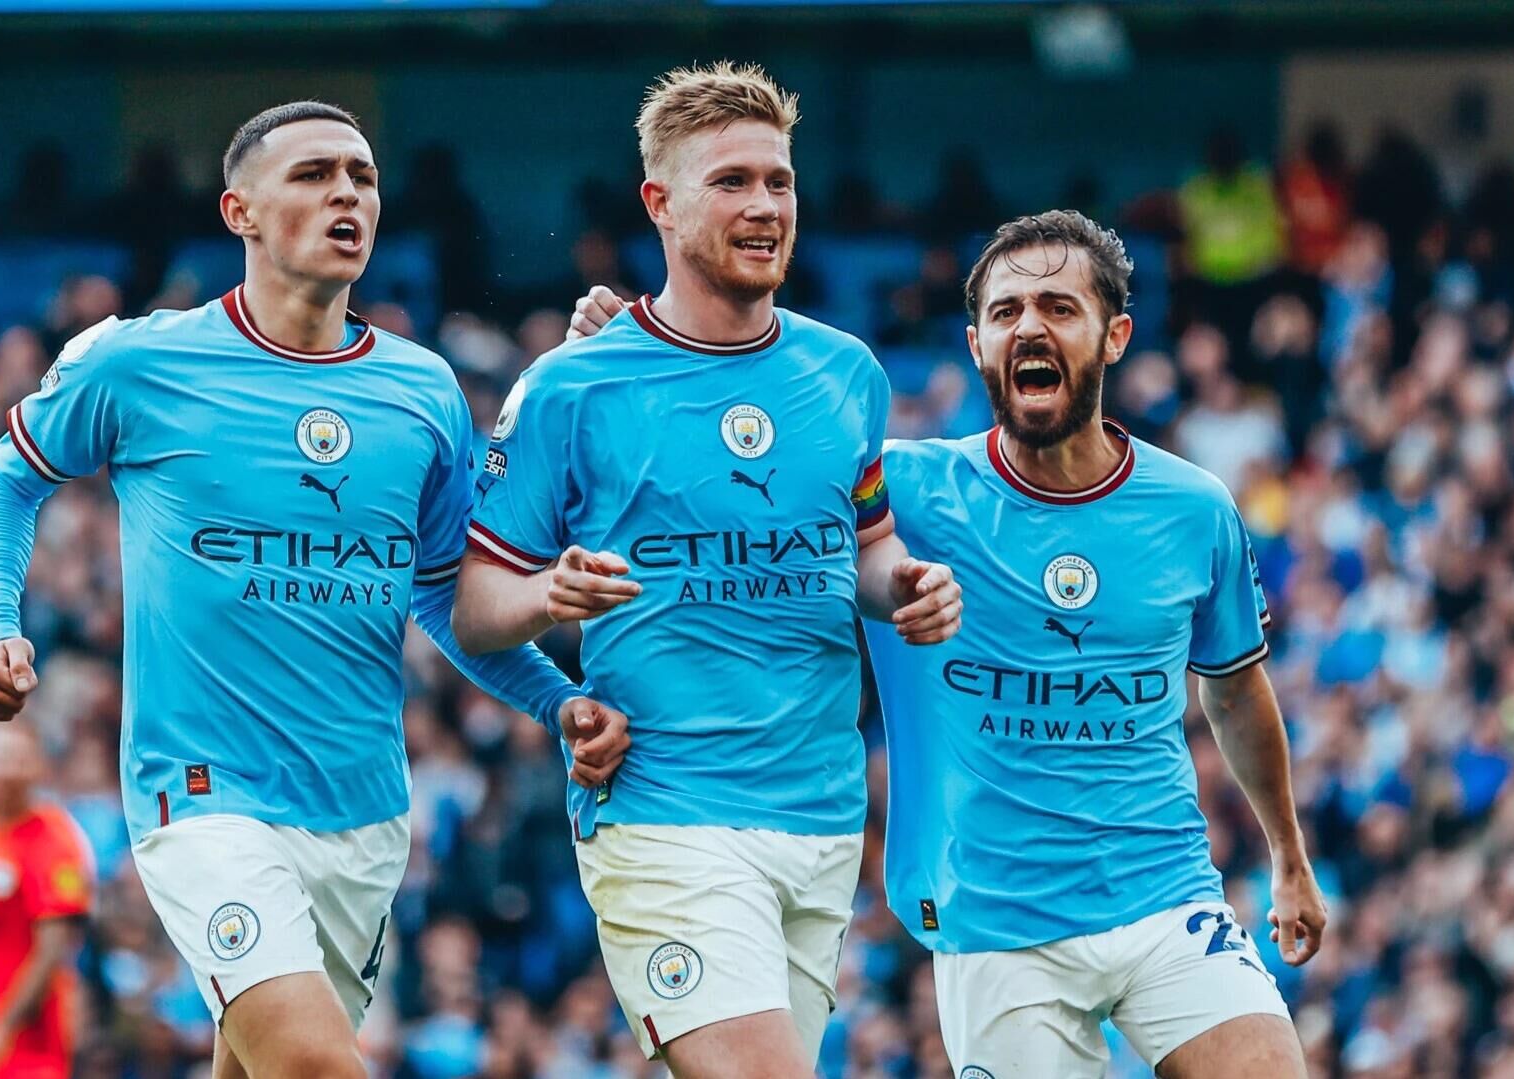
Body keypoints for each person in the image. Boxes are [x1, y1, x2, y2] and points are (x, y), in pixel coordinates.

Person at [566, 210, 1328, 1078]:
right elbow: (735, 479)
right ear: (975, 346)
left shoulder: (1193, 508)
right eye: (1005, 312)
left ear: (1114, 336)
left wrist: (1288, 855)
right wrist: (637, 368)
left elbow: (1234, 689)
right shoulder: (905, 491)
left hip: (1167, 898)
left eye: (1058, 307)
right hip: (996, 929)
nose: (1029, 327)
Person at [0, 101, 629, 1079]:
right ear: (239, 210)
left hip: (362, 812)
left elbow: (444, 596)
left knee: (261, 1064)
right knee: (317, 1063)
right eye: (314, 174)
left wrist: (557, 700)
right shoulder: (141, 361)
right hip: (203, 795)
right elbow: (7, 479)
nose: (345, 193)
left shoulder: (423, 392)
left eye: (362, 176)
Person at [451, 63, 962, 1078]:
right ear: (660, 203)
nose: (764, 205)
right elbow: (473, 603)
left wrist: (905, 581)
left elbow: (864, 544)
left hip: (819, 819)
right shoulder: (570, 387)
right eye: (730, 181)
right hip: (663, 810)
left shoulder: (845, 373)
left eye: (778, 181)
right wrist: (549, 595)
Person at [0, 723, 93, 1079]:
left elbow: (53, 948)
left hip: (27, 1041)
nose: (7, 770)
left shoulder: (55, 839)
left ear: (38, 765)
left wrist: (4, 1028)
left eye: (18, 758)